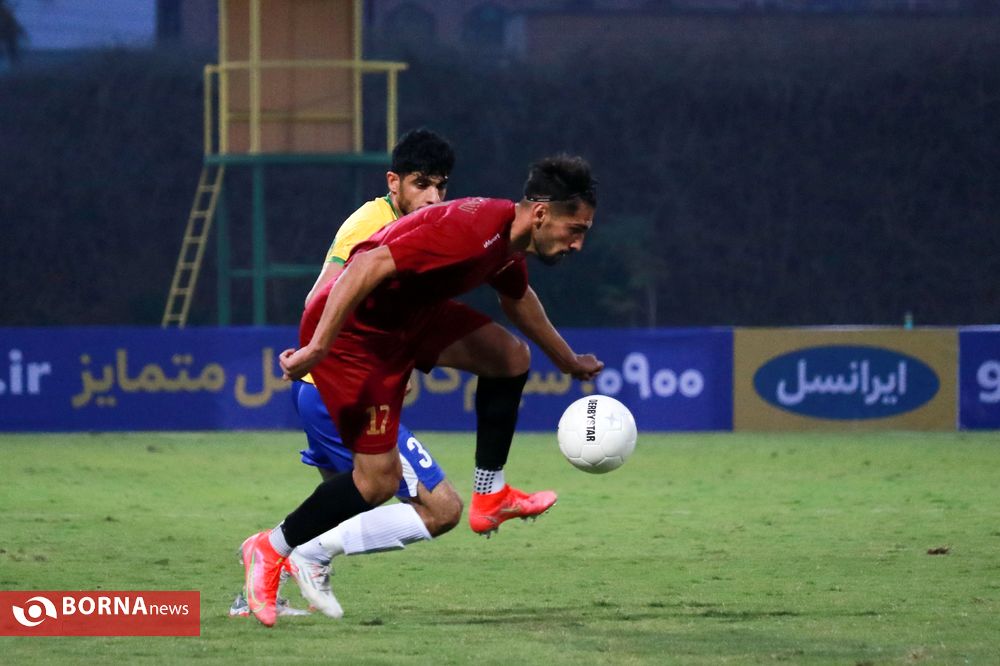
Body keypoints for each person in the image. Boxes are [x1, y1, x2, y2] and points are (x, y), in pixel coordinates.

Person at [241, 154, 604, 627]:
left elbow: (517, 298)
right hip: (358, 337)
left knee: (511, 358)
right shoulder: (470, 233)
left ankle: (490, 496)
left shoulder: (506, 237)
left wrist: (567, 360)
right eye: (575, 229)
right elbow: (365, 264)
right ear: (540, 214)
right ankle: (270, 548)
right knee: (376, 484)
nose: (578, 243)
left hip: (409, 319)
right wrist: (317, 348)